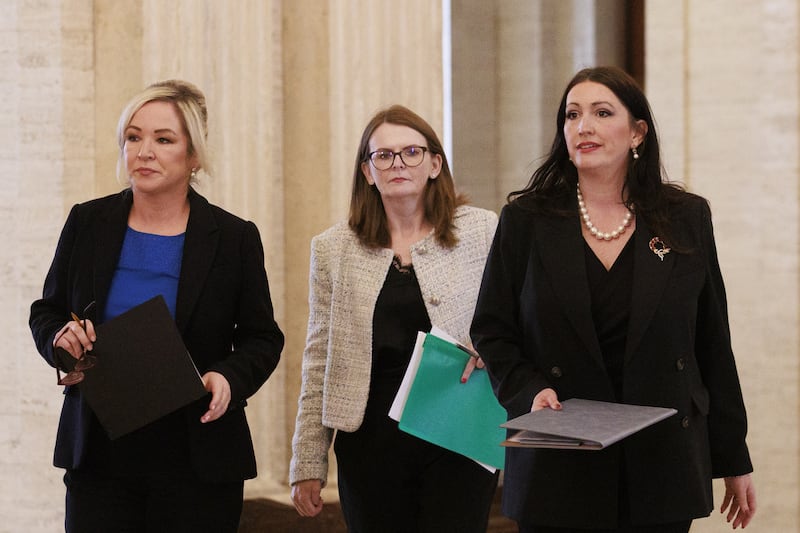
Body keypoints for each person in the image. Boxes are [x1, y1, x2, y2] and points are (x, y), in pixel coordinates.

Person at [470, 66, 756, 533]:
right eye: (572, 115)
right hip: (559, 455)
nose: (583, 126)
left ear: (637, 131)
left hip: (662, 462)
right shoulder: (526, 219)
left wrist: (734, 457)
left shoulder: (685, 217)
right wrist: (528, 391)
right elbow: (492, 329)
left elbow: (711, 344)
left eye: (603, 113)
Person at [29, 79, 284, 532]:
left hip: (197, 453)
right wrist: (58, 339)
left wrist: (228, 377)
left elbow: (263, 338)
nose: (144, 151)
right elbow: (46, 310)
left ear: (194, 156)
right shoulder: (88, 222)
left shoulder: (233, 238)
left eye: (163, 139)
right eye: (133, 136)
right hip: (100, 451)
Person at [289, 104, 499, 532]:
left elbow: (512, 321)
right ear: (367, 171)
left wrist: (493, 350)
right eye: (383, 155)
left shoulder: (481, 230)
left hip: (457, 428)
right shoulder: (334, 249)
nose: (397, 163)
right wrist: (307, 458)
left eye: (411, 152)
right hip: (370, 439)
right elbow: (318, 358)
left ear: (435, 163)